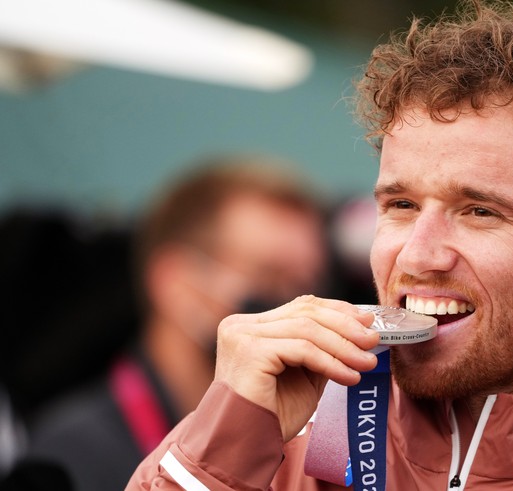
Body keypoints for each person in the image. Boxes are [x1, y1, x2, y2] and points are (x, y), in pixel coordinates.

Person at [128, 2, 513, 490]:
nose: (419, 256)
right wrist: (219, 449)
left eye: (479, 212)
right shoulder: (257, 458)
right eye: (400, 205)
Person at [18, 156, 329, 490]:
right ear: (176, 285)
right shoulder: (73, 455)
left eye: (310, 283)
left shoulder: (308, 441)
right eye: (270, 275)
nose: (301, 304)